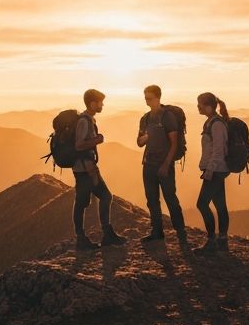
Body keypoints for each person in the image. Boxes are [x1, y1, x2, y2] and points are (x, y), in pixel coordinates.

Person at [72, 88, 127, 250]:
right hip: (84, 169)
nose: (103, 104)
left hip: (87, 168)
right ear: (92, 103)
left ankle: (93, 237)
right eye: (100, 102)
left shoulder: (89, 119)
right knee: (94, 199)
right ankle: (91, 237)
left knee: (92, 200)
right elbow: (79, 145)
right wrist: (97, 140)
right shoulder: (84, 121)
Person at [136, 85, 187, 244]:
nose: (147, 101)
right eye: (145, 98)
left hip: (164, 164)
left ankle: (181, 231)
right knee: (152, 199)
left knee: (170, 198)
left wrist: (166, 165)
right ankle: (157, 231)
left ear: (158, 98)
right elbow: (139, 142)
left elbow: (173, 143)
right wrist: (144, 139)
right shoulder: (144, 118)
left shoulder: (167, 117)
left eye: (149, 98)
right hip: (148, 164)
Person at [194, 92, 230, 254]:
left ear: (208, 105)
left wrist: (209, 169)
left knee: (202, 204)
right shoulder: (212, 122)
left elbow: (218, 150)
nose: (198, 107)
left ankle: (211, 241)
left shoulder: (216, 124)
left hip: (215, 171)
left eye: (199, 104)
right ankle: (222, 240)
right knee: (220, 205)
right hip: (218, 170)